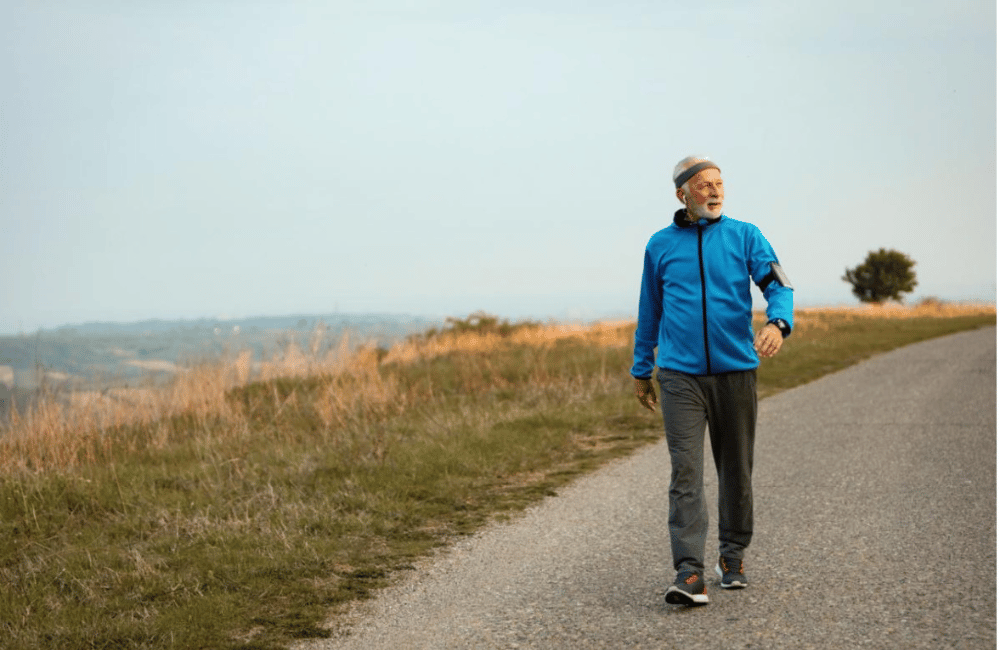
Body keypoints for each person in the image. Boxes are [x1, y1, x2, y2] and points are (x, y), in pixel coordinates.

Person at [631, 156, 794, 606]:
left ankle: (733, 556)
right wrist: (641, 367)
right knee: (685, 471)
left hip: (735, 373)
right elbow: (650, 309)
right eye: (703, 185)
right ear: (682, 194)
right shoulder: (659, 245)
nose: (715, 191)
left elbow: (779, 284)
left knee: (735, 469)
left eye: (719, 183)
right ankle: (689, 573)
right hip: (680, 377)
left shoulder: (745, 236)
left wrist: (777, 323)